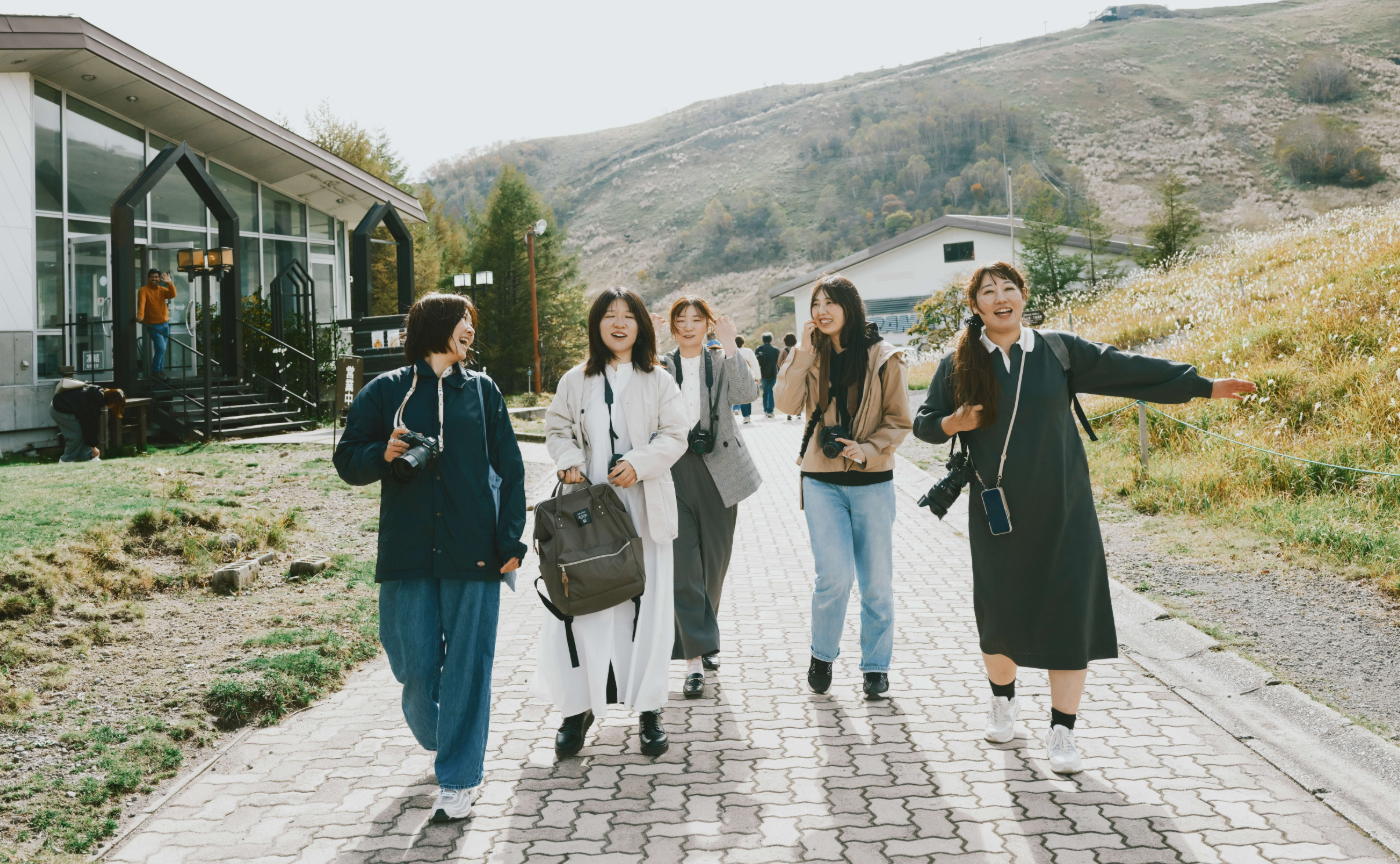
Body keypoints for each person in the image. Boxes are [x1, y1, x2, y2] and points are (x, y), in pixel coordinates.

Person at [913, 261, 1255, 774]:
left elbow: (1127, 369)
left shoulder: (1057, 349)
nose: (1000, 296)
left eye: (1009, 288)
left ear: (1023, 297)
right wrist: (951, 422)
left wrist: (1202, 386)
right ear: (976, 305)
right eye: (989, 291)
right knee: (1000, 612)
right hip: (998, 513)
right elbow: (922, 424)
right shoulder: (958, 363)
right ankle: (1003, 700)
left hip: (1065, 508)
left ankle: (1062, 732)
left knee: (1068, 613)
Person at [333, 292, 527, 823]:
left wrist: (511, 540)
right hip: (407, 550)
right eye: (462, 322)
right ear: (436, 326)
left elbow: (510, 468)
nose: (470, 330)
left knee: (468, 666)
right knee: (413, 667)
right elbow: (346, 459)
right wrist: (383, 453)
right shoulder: (386, 392)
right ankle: (447, 739)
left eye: (472, 324)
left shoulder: (483, 392)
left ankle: (459, 778)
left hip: (476, 551)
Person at [536, 287, 688, 758]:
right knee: (586, 606)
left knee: (648, 610)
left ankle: (648, 708)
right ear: (596, 325)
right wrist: (567, 459)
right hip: (586, 517)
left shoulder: (659, 380)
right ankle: (577, 709)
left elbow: (675, 434)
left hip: (644, 510)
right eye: (609, 315)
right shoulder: (575, 379)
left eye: (628, 316)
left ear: (641, 324)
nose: (618, 323)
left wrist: (640, 462)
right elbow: (557, 428)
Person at [774, 273, 912, 699]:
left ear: (850, 307)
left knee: (876, 581)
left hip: (871, 479)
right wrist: (800, 354)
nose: (822, 310)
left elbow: (899, 420)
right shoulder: (811, 357)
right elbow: (785, 404)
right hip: (821, 479)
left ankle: (875, 666)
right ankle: (822, 653)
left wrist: (868, 450)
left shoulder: (884, 357)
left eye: (831, 302)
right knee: (833, 576)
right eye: (816, 303)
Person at [655, 296, 762, 698]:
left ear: (708, 324)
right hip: (672, 471)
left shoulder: (719, 359)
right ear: (671, 326)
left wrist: (731, 345)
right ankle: (694, 661)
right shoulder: (661, 365)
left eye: (696, 319)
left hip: (720, 471)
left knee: (713, 564)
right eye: (680, 319)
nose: (687, 325)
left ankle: (704, 631)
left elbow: (747, 393)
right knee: (683, 567)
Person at [51, 376, 123, 462]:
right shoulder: (94, 403)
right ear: (112, 401)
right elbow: (90, 426)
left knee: (82, 432)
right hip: (59, 409)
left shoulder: (97, 393)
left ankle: (88, 457)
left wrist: (92, 446)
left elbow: (89, 427)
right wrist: (94, 447)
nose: (112, 408)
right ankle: (66, 460)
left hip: (61, 405)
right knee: (76, 435)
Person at [137, 269, 177, 377]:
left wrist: (170, 283)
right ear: (148, 278)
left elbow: (172, 295)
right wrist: (140, 316)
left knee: (162, 349)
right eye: (152, 277)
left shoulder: (162, 290)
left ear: (159, 279)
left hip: (165, 324)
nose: (154, 279)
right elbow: (142, 303)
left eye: (156, 277)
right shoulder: (143, 290)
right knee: (161, 348)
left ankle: (160, 371)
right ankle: (155, 371)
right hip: (154, 325)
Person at [732, 335, 761, 424]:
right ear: (743, 343)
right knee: (748, 395)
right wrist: (758, 377)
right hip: (749, 376)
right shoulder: (748, 351)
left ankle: (746, 415)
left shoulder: (732, 352)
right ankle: (748, 415)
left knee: (742, 395)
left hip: (736, 376)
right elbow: (755, 364)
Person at [753, 332, 780, 419]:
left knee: (764, 392)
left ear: (762, 340)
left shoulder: (759, 349)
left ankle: (765, 410)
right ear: (771, 340)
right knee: (771, 392)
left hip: (763, 374)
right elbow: (779, 363)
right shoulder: (775, 350)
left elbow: (755, 362)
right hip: (773, 374)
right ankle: (770, 411)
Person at [777, 333, 798, 420]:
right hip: (797, 374)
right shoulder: (798, 350)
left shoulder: (783, 350)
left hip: (786, 375)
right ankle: (798, 412)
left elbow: (779, 363)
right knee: (797, 393)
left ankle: (789, 413)